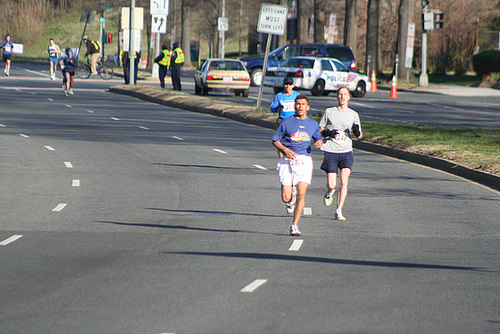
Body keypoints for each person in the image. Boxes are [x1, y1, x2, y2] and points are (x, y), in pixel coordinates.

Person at [272, 95, 323, 236]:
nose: (300, 106)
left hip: (304, 160)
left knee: (302, 193)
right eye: (298, 104)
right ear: (295, 106)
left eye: (303, 104)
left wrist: (319, 142)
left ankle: (294, 225)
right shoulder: (286, 123)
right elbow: (275, 140)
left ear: (308, 107)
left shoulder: (312, 124)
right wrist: (285, 150)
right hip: (288, 160)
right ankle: (290, 199)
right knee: (286, 198)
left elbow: (318, 138)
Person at [319, 86, 362, 221]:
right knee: (332, 184)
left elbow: (360, 135)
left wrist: (356, 132)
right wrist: (327, 133)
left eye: (345, 94)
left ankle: (339, 210)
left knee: (344, 181)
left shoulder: (353, 114)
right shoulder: (329, 112)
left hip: (346, 151)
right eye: (340, 94)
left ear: (349, 97)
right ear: (337, 97)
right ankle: (330, 192)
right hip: (331, 150)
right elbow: (320, 128)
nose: (342, 96)